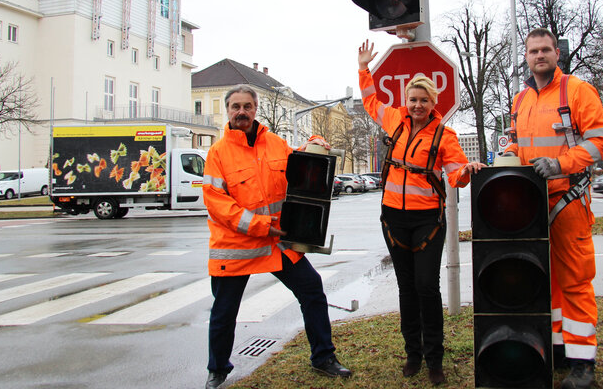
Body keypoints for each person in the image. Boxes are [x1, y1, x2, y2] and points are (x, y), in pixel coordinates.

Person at [202, 84, 352, 389]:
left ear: (255, 109)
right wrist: (259, 225)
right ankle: (217, 371)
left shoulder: (275, 143)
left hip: (276, 242)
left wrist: (316, 145)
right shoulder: (218, 153)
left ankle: (324, 358)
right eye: (235, 107)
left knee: (312, 290)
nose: (241, 112)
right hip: (237, 247)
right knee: (224, 312)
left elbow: (300, 169)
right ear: (228, 110)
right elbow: (217, 204)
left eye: (247, 106)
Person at [357, 40, 486, 386]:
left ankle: (435, 359)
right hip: (393, 220)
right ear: (406, 101)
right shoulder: (393, 122)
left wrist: (468, 170)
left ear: (433, 104)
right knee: (406, 288)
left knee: (427, 287)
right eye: (412, 99)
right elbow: (370, 101)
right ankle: (412, 353)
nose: (417, 105)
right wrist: (364, 68)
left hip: (428, 221)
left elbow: (456, 173)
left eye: (423, 100)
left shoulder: (445, 136)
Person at [504, 28, 603, 389]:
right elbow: (518, 145)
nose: (539, 56)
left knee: (575, 280)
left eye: (546, 50)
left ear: (557, 54)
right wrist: (506, 159)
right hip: (532, 203)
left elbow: (601, 142)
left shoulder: (577, 91)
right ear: (526, 56)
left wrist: (562, 164)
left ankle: (584, 364)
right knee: (545, 280)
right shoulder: (521, 100)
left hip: (567, 199)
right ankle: (559, 348)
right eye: (533, 50)